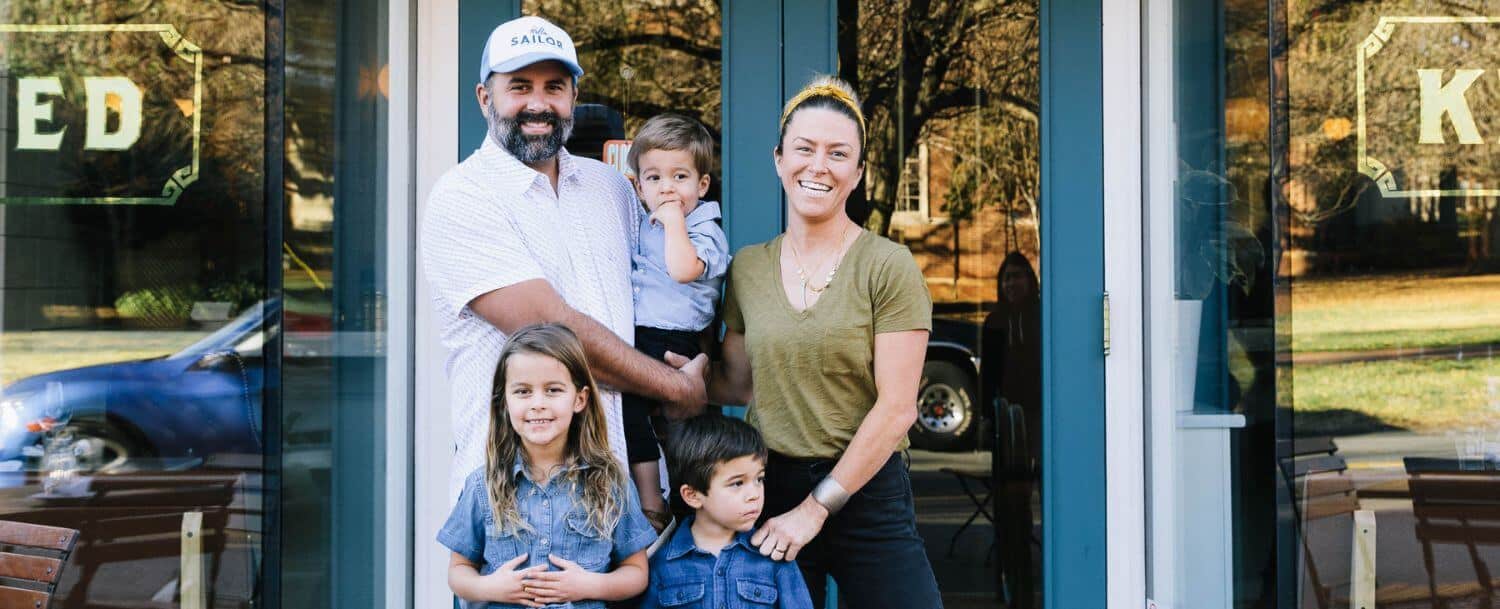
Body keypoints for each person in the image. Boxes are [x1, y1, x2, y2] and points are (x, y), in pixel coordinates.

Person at [421, 15, 709, 506]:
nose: (538, 103)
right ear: (484, 98)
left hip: (625, 499)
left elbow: (664, 291)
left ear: (574, 96)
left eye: (554, 86)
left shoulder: (612, 187)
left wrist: (702, 363)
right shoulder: (463, 197)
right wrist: (678, 389)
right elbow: (555, 337)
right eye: (519, 86)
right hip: (518, 500)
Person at [698, 75, 943, 608]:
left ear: (857, 173)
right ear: (779, 159)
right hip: (768, 488)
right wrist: (680, 377)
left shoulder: (888, 266)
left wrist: (814, 510)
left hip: (866, 491)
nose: (818, 166)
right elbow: (738, 385)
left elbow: (898, 409)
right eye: (804, 149)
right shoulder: (748, 268)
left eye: (838, 153)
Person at [438, 323, 657, 608]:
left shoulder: (610, 482)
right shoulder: (483, 485)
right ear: (504, 401)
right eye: (523, 392)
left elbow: (636, 572)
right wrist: (490, 587)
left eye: (552, 390)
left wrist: (589, 584)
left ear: (579, 399)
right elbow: (458, 571)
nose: (537, 403)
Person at [620, 114, 730, 532]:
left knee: (682, 431)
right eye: (654, 178)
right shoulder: (645, 220)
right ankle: (652, 499)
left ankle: (683, 507)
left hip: (677, 338)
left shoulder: (704, 227)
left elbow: (684, 269)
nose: (666, 188)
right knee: (632, 414)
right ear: (638, 185)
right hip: (644, 334)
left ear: (701, 186)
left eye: (680, 176)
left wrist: (674, 223)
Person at [639, 415, 814, 609]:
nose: (754, 494)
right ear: (693, 495)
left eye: (759, 479)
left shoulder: (773, 556)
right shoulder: (663, 564)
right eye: (737, 483)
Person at [981, 251, 1041, 609]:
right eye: (1006, 278)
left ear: (1030, 281)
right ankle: (1012, 581)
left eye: (1017, 276)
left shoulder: (1041, 317)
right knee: (1011, 504)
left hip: (1039, 418)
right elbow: (988, 379)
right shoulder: (995, 322)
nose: (1011, 283)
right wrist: (988, 421)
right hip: (1008, 424)